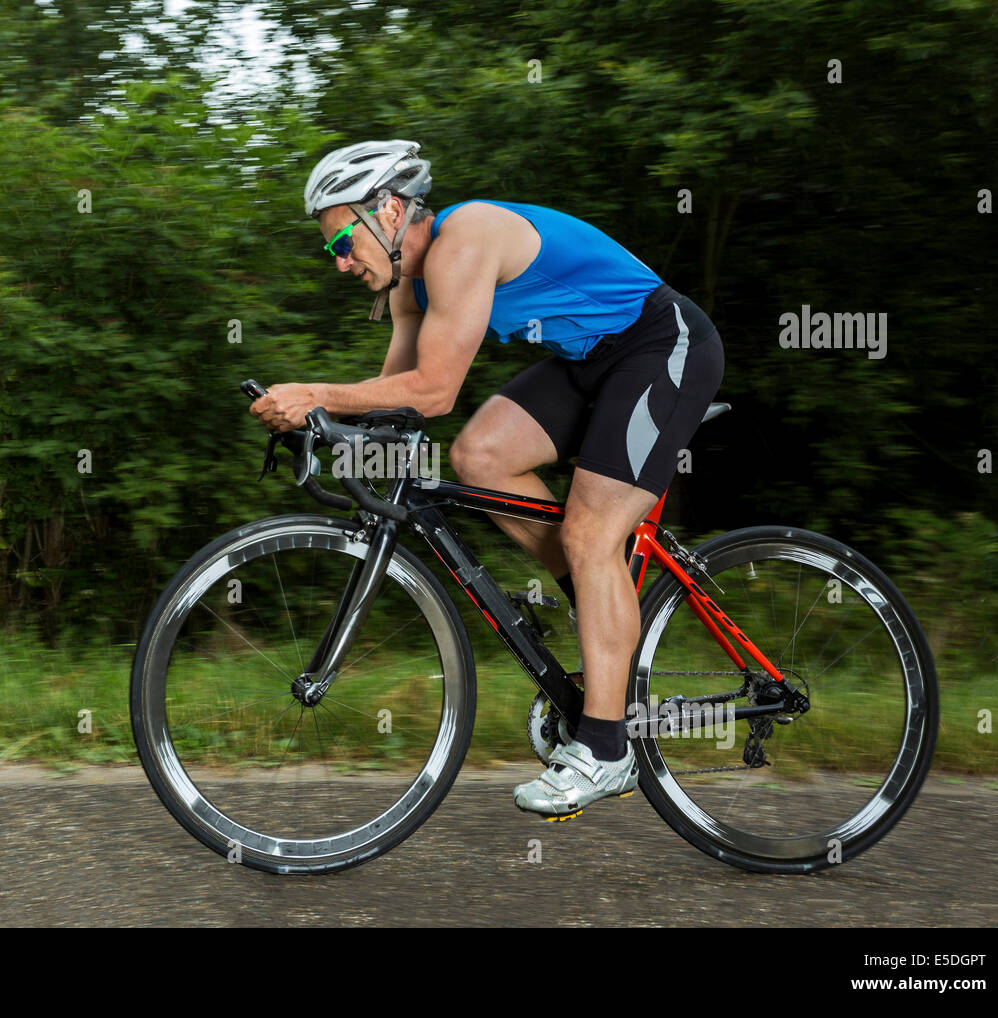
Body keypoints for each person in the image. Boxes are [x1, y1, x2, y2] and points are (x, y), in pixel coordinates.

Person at [251, 140, 724, 821]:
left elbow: (436, 391)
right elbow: (395, 401)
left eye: (343, 243)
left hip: (661, 343)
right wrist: (323, 431)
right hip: (593, 359)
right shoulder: (409, 287)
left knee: (590, 533)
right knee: (478, 459)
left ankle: (607, 749)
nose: (342, 262)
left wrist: (313, 393)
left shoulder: (463, 240)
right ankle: (601, 600)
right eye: (333, 252)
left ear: (388, 210)